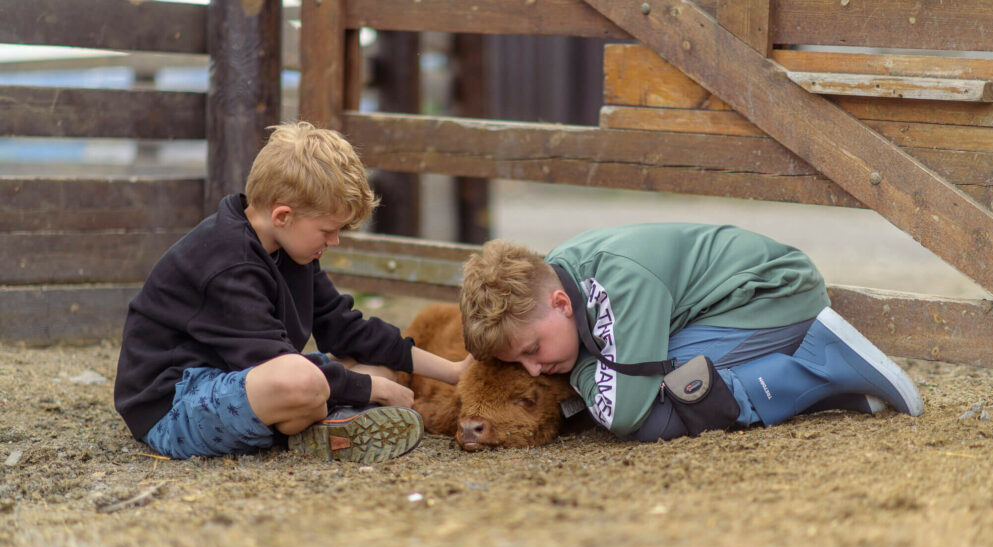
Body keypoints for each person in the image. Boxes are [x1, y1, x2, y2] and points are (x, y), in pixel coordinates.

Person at [114, 122, 470, 461]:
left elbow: (345, 328)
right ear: (283, 216)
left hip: (245, 381)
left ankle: (326, 421)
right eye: (327, 230)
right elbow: (271, 361)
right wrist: (368, 389)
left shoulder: (291, 248)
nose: (335, 241)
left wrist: (453, 371)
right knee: (308, 380)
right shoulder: (228, 263)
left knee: (377, 369)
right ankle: (332, 417)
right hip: (174, 406)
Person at [459, 222, 923, 442]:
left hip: (771, 298)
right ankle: (831, 393)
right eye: (518, 364)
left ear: (560, 304)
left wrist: (582, 366)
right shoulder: (554, 282)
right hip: (724, 311)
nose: (535, 369)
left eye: (532, 350)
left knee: (660, 411)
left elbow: (623, 412)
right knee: (654, 391)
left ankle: (823, 363)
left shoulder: (616, 282)